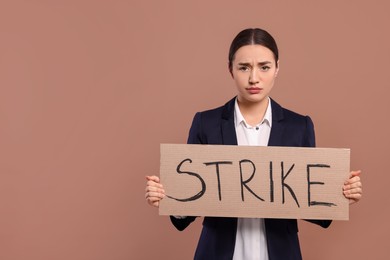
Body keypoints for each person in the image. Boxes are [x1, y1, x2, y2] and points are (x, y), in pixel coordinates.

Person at [144, 28, 363, 260]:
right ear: (230, 69)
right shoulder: (205, 123)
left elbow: (313, 203)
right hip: (218, 253)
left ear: (277, 68)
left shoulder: (299, 126)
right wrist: (167, 196)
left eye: (264, 67)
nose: (254, 78)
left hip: (280, 253)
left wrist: (340, 192)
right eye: (244, 67)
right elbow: (185, 213)